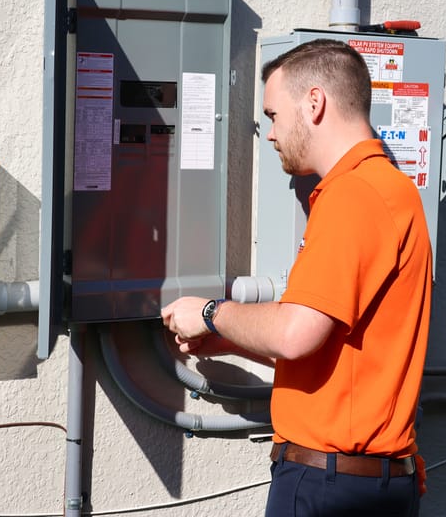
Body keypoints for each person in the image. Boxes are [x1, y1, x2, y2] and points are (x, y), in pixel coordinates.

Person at [161, 38, 432, 516]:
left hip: (327, 484)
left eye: (273, 115)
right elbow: (337, 352)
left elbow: (295, 334)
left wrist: (209, 312)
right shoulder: (391, 189)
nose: (270, 133)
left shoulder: (352, 196)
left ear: (314, 103)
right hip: (373, 482)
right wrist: (228, 339)